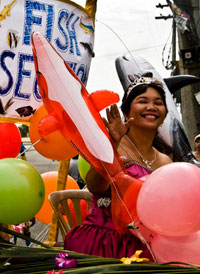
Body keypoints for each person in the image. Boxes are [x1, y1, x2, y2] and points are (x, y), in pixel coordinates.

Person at [64, 76, 172, 260]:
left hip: (147, 246)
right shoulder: (114, 145)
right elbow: (96, 187)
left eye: (158, 103)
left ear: (164, 114)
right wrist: (111, 147)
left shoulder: (165, 161)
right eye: (143, 101)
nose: (152, 107)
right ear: (126, 111)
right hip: (103, 243)